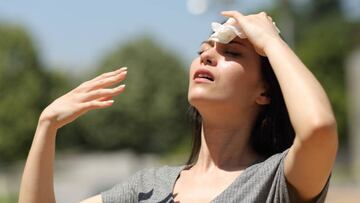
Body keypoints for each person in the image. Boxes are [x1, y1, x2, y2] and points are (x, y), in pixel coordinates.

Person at [19, 10, 338, 203]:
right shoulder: (146, 188)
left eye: (234, 53)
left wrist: (270, 40)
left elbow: (318, 128)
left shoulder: (277, 181)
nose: (208, 55)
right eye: (203, 49)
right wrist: (47, 126)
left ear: (265, 92)